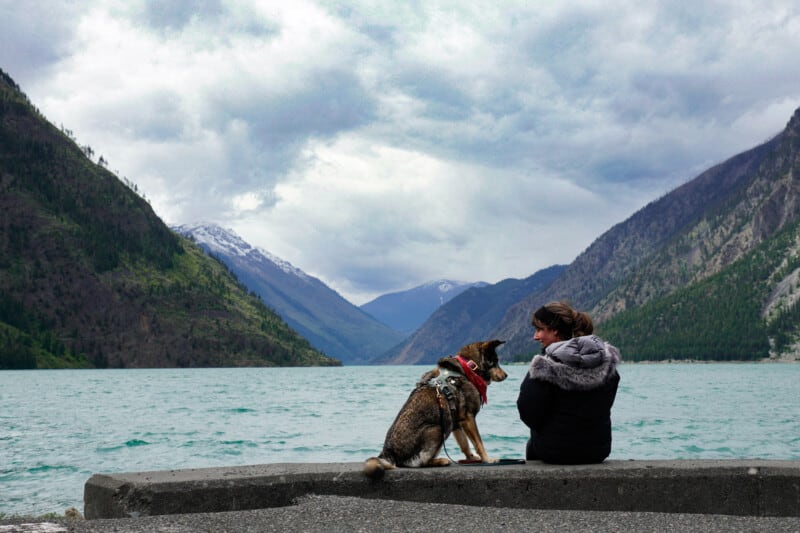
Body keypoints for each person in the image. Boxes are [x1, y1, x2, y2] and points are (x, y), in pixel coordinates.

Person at [517, 301, 620, 464]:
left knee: (532, 446)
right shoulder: (606, 364)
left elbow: (527, 411)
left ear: (555, 330)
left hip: (554, 452)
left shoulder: (545, 367)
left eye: (539, 330)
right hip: (598, 451)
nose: (535, 336)